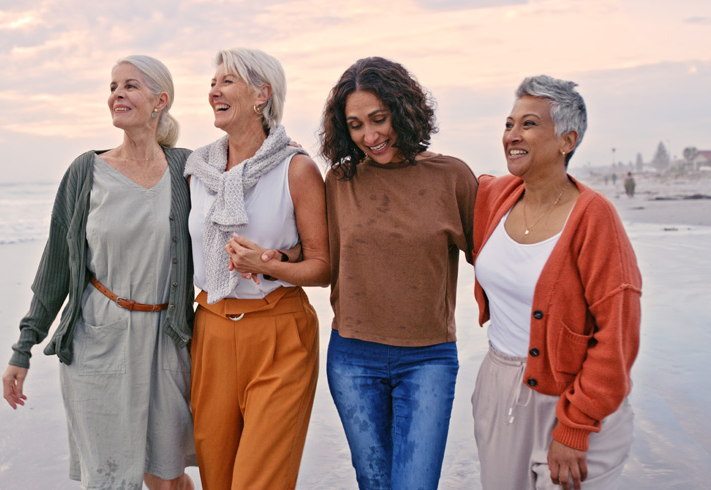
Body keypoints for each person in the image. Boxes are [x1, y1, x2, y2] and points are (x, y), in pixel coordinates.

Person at [1, 55, 196, 490]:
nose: (116, 95)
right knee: (108, 480)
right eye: (112, 87)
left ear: (159, 100)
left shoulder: (188, 169)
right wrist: (24, 346)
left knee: (166, 476)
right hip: (98, 341)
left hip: (168, 343)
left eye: (129, 86)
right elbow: (55, 267)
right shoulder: (85, 172)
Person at [471, 75, 641, 490]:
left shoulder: (594, 218)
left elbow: (617, 336)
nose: (512, 134)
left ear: (567, 140)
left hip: (574, 399)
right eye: (509, 124)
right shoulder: (494, 197)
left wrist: (575, 427)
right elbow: (430, 180)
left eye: (528, 124)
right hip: (499, 388)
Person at [319, 57, 478, 490]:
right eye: (355, 125)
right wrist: (267, 260)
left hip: (428, 358)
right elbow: (323, 263)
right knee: (373, 482)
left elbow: (493, 261)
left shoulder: (452, 177)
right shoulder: (340, 181)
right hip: (352, 357)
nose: (369, 136)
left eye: (378, 119)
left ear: (403, 111)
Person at [184, 47, 329, 490]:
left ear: (261, 94)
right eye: (213, 82)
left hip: (278, 335)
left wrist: (268, 264)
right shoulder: (196, 169)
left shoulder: (297, 168)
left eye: (227, 81)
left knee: (259, 481)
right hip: (209, 330)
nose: (214, 91)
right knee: (218, 479)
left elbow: (324, 267)